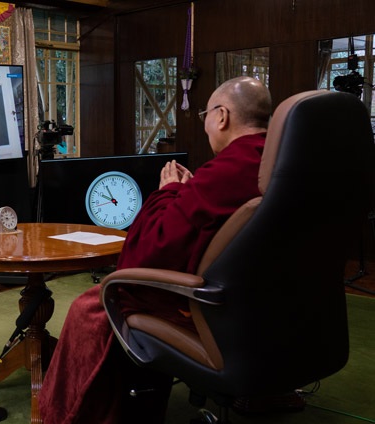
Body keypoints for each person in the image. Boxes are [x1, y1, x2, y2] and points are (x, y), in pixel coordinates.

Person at [38, 76, 273, 424]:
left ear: (221, 116)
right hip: (266, 308)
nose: (207, 124)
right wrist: (192, 194)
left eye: (206, 113)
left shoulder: (225, 172)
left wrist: (170, 192)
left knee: (92, 306)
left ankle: (66, 415)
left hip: (207, 307)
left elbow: (147, 252)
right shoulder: (278, 165)